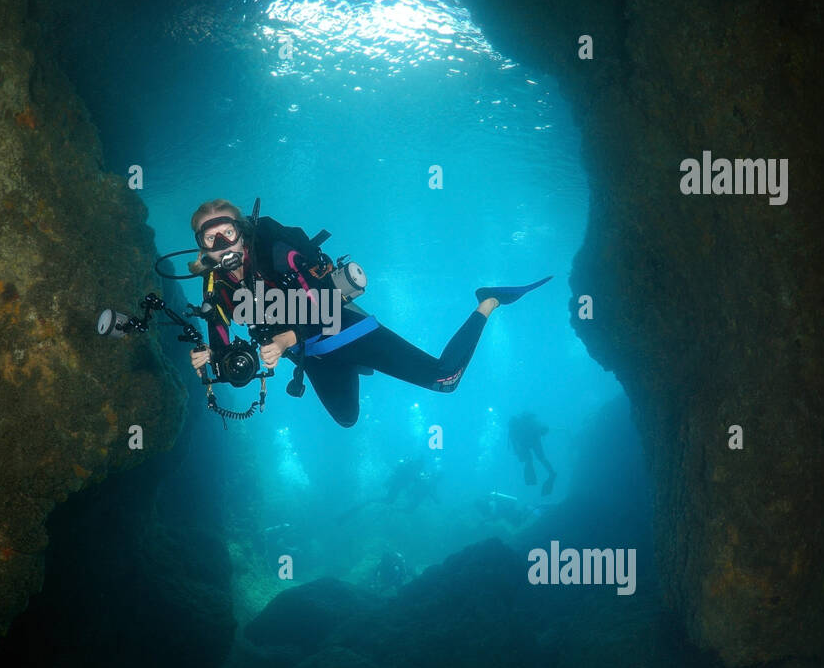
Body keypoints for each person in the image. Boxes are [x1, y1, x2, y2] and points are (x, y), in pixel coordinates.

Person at [186, 199, 552, 427]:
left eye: (228, 233)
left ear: (242, 232)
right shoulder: (214, 285)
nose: (222, 245)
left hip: (346, 331)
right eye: (210, 239)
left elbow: (327, 301)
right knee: (347, 419)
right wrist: (212, 358)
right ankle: (353, 365)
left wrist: (285, 338)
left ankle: (488, 301)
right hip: (311, 357)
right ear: (203, 249)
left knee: (446, 379)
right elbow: (223, 345)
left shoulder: (278, 252)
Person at [508, 411, 557, 496]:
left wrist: (517, 451)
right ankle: (551, 473)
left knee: (530, 460)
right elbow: (543, 429)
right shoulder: (517, 428)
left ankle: (547, 475)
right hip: (533, 441)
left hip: (529, 442)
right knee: (539, 459)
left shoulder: (515, 428)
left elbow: (514, 442)